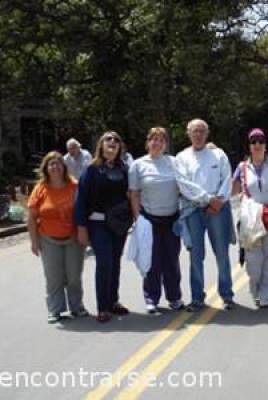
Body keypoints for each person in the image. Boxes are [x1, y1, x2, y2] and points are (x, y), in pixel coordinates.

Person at [175, 119, 234, 312]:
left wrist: (218, 201)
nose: (198, 134)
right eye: (194, 131)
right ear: (189, 133)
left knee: (222, 253)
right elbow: (184, 184)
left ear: (207, 133)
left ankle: (226, 295)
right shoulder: (181, 157)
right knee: (196, 255)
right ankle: (197, 297)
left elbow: (227, 179)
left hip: (218, 209)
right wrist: (208, 199)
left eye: (201, 131)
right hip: (193, 210)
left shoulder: (218, 154)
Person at [75, 131, 131, 322]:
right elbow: (81, 199)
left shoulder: (124, 169)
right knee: (104, 262)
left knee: (115, 263)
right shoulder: (91, 170)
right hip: (98, 223)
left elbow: (131, 195)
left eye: (116, 139)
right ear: (101, 145)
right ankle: (103, 307)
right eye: (108, 139)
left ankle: (113, 301)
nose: (112, 142)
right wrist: (81, 227)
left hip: (119, 225)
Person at [232, 128, 268, 308]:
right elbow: (231, 192)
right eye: (253, 141)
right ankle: (255, 287)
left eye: (260, 141)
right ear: (249, 146)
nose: (257, 145)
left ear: (266, 145)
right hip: (251, 219)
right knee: (253, 258)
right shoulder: (242, 168)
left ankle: (267, 292)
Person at [27, 151, 87, 323]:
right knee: (54, 277)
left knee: (74, 276)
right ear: (46, 167)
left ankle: (77, 307)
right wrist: (34, 241)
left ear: (64, 166)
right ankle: (55, 310)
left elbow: (84, 211)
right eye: (51, 164)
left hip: (73, 238)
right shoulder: (40, 188)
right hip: (48, 239)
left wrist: (85, 233)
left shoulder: (75, 185)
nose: (55, 166)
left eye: (58, 163)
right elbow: (31, 217)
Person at [128, 127, 183, 314]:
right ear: (147, 142)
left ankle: (174, 297)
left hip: (172, 219)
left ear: (166, 144)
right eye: (153, 139)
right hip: (149, 219)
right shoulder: (138, 165)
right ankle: (151, 298)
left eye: (161, 140)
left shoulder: (174, 162)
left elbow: (184, 188)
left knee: (171, 260)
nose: (157, 143)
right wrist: (138, 220)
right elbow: (134, 194)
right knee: (151, 261)